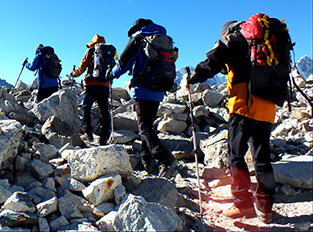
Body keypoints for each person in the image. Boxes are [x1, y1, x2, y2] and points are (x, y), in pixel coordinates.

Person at [185, 20, 277, 223]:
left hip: (244, 104)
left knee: (236, 154)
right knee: (262, 156)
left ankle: (242, 204)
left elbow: (213, 61)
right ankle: (265, 207)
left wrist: (193, 77)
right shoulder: (260, 42)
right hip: (268, 106)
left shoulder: (234, 39)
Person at [111, 18, 178, 178]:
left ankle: (164, 157)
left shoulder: (138, 39)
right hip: (159, 90)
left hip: (142, 89)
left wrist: (111, 74)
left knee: (144, 126)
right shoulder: (164, 40)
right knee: (148, 125)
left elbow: (123, 64)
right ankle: (147, 160)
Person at [70, 34, 116, 146]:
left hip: (92, 84)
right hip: (105, 85)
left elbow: (83, 66)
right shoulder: (109, 52)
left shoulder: (91, 51)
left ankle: (88, 132)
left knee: (86, 107)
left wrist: (74, 74)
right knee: (104, 111)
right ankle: (104, 137)